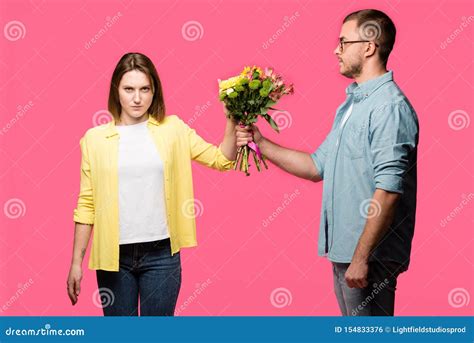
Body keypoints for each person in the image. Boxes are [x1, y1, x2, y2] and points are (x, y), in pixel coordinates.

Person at [236, 9, 419, 316]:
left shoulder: (389, 108)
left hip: (368, 259)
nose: (336, 49)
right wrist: (260, 142)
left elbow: (388, 191)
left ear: (369, 46)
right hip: (345, 253)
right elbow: (315, 166)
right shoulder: (352, 105)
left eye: (344, 42)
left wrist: (361, 256)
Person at [67, 52, 238, 316]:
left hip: (162, 256)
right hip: (114, 258)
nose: (137, 98)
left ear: (154, 90)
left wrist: (232, 119)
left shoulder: (173, 130)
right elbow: (86, 204)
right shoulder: (95, 139)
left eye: (144, 89)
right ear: (116, 91)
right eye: (129, 89)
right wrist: (76, 262)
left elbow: (221, 160)